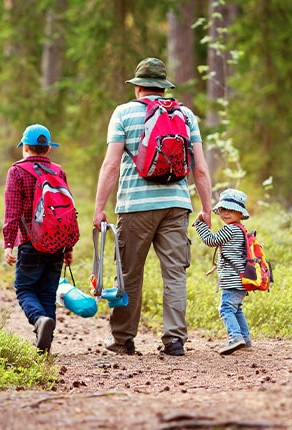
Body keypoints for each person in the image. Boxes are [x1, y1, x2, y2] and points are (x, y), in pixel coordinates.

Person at [91, 58, 216, 357]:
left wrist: (99, 208)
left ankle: (123, 339)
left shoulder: (123, 113)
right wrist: (206, 208)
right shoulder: (185, 115)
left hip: (135, 206)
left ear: (138, 88)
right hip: (176, 205)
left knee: (129, 274)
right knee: (174, 274)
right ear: (163, 87)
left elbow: (111, 165)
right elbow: (199, 169)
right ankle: (174, 340)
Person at [3, 124, 76, 354]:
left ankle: (38, 321)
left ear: (25, 147)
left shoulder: (17, 171)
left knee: (24, 288)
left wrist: (8, 244)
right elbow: (67, 212)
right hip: (57, 244)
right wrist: (68, 247)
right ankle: (44, 347)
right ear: (48, 150)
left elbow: (12, 211)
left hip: (29, 243)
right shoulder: (58, 171)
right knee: (47, 292)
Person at [193, 189, 253, 355]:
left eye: (231, 210)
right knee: (236, 309)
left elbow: (210, 240)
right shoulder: (241, 229)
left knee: (225, 308)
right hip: (241, 280)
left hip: (232, 280)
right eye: (223, 210)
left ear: (240, 213)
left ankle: (235, 337)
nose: (226, 213)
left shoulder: (231, 230)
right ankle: (245, 339)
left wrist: (200, 224)